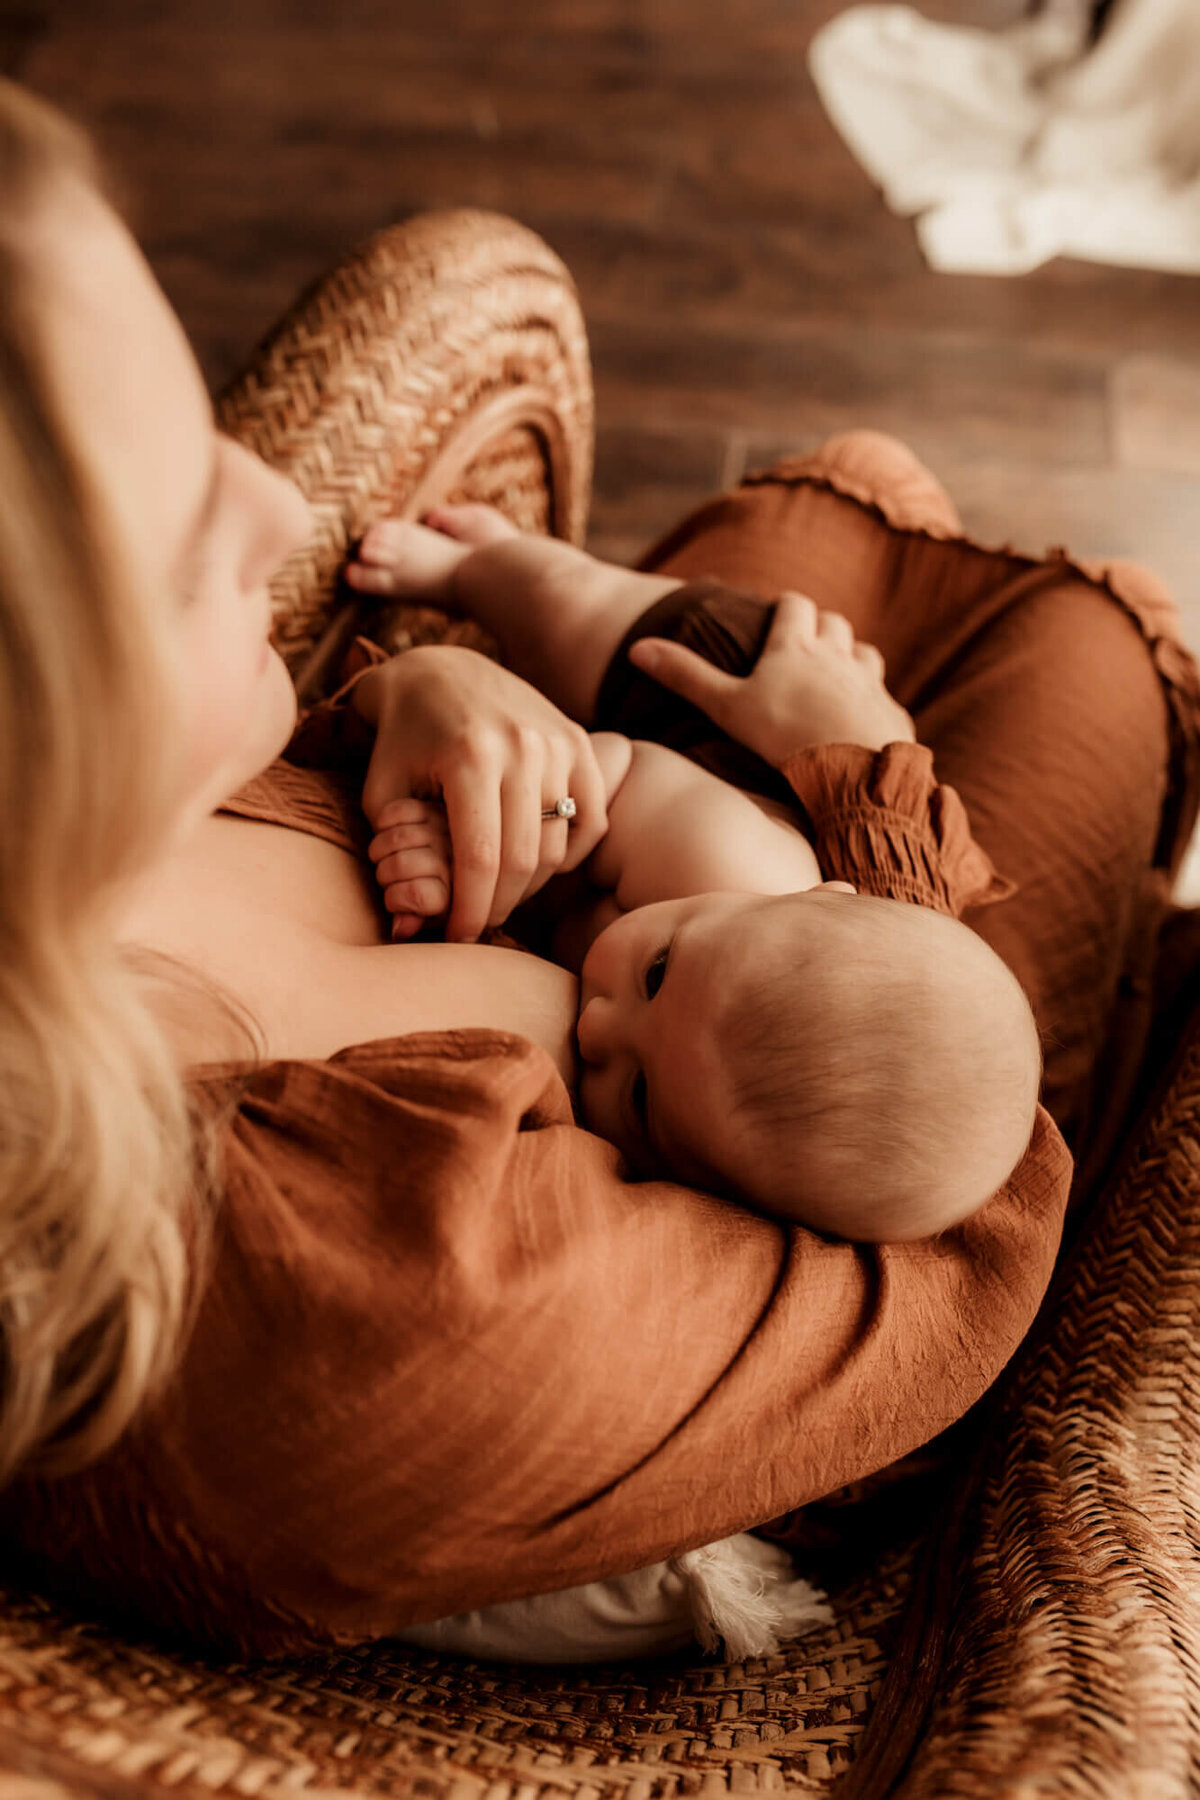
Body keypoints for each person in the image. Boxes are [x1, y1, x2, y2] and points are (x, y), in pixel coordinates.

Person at [0, 76, 1189, 1661]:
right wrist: (866, 797)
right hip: (874, 1126)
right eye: (172, 542)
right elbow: (953, 1229)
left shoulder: (81, 873)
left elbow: (575, 848)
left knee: (826, 522)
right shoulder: (327, 1309)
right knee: (1082, 621)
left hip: (728, 904)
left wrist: (422, 697)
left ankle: (731, 580)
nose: (279, 499)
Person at [347, 508, 1043, 1246]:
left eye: (642, 1096)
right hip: (702, 716)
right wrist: (489, 832)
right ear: (817, 896)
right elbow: (605, 779)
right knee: (577, 615)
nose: (597, 1027)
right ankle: (486, 564)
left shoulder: (730, 1109)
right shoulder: (728, 859)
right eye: (657, 971)